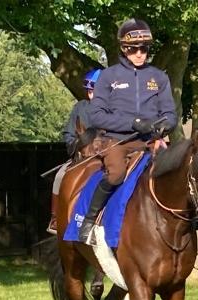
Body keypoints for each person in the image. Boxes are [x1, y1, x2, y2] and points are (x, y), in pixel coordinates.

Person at [78, 18, 177, 244]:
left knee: (175, 174)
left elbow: (170, 114)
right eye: (134, 49)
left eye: (144, 49)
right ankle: (89, 220)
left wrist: (164, 126)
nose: (140, 54)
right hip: (117, 142)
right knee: (116, 175)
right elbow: (96, 115)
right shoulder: (108, 76)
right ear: (124, 48)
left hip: (152, 142)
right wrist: (133, 123)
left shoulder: (159, 77)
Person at [47, 67, 103, 234]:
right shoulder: (80, 108)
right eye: (89, 91)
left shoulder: (112, 111)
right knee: (59, 176)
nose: (91, 94)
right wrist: (76, 146)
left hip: (105, 155)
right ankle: (55, 218)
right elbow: (69, 133)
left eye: (95, 90)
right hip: (82, 155)